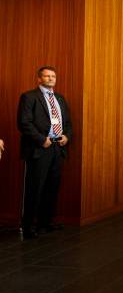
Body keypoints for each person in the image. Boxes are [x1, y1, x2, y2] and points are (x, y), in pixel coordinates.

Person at [17, 66, 72, 238]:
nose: (50, 79)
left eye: (53, 76)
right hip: (39, 149)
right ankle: (27, 228)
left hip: (57, 148)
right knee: (35, 188)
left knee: (51, 188)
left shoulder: (60, 99)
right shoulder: (29, 97)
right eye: (47, 76)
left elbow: (68, 123)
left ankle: (44, 224)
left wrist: (66, 137)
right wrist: (42, 139)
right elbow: (24, 123)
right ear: (39, 79)